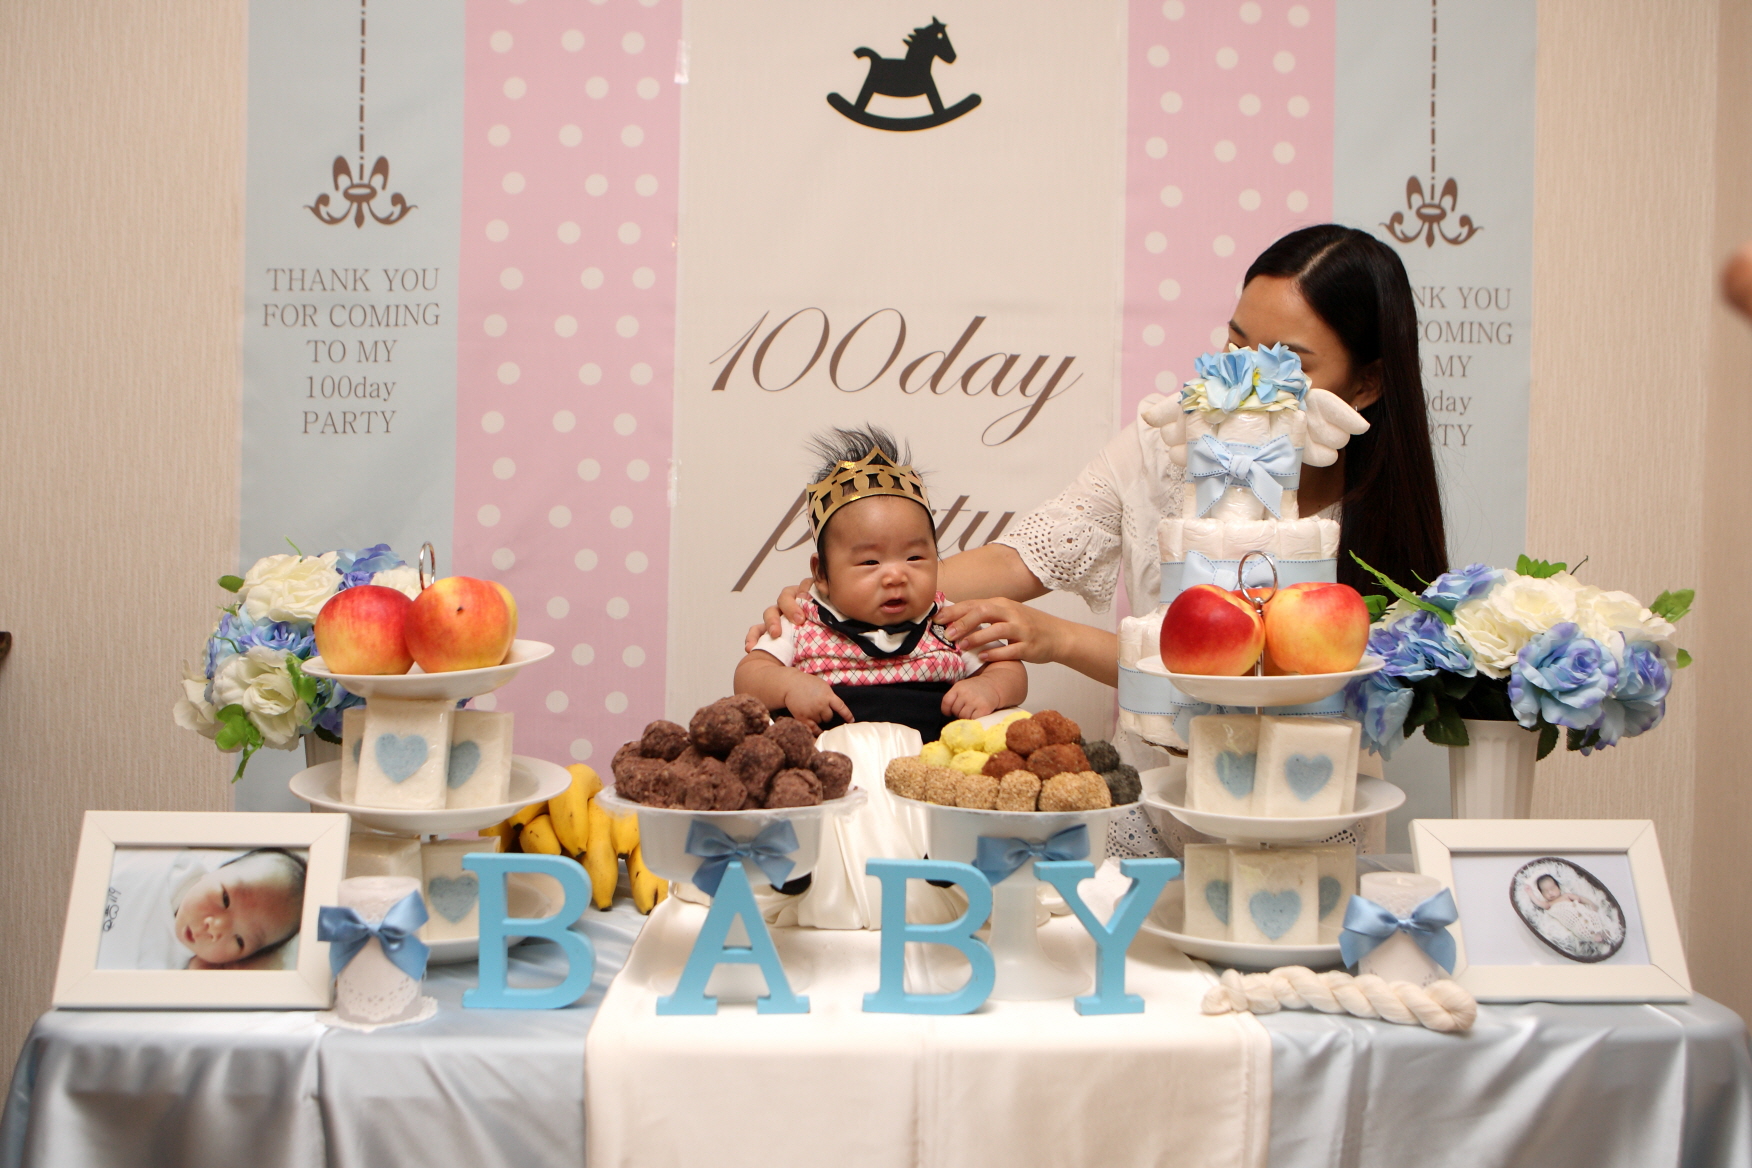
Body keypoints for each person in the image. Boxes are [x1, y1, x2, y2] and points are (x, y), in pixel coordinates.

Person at [753, 224, 1448, 691]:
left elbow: (1250, 684)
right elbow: (1023, 559)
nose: (1245, 378)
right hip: (1153, 800)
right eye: (1236, 344)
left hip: (1306, 808)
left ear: (1366, 383)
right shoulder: (1164, 444)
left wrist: (1058, 639)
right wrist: (835, 598)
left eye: (1286, 360)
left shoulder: (1374, 519)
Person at [735, 426, 1027, 743]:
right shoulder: (803, 622)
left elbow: (1008, 669)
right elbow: (749, 675)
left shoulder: (950, 623)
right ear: (822, 574)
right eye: (870, 562)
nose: (896, 576)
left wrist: (989, 686)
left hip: (930, 762)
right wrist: (789, 685)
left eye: (914, 557)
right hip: (829, 762)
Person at [98, 846, 307, 971]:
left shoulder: (181, 971)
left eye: (239, 940)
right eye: (225, 899)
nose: (214, 927)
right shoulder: (167, 862)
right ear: (218, 870)